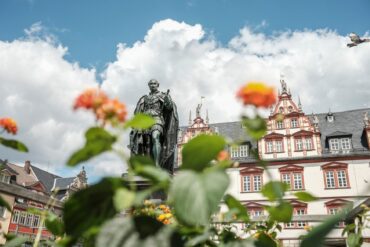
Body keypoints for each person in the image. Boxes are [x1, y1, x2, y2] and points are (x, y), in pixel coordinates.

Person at [129, 79, 178, 174]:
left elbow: (169, 108)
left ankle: (157, 165)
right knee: (145, 144)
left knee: (156, 137)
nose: (153, 85)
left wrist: (168, 101)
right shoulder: (144, 98)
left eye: (154, 83)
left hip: (157, 119)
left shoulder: (163, 96)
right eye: (151, 84)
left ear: (158, 85)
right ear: (148, 85)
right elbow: (138, 112)